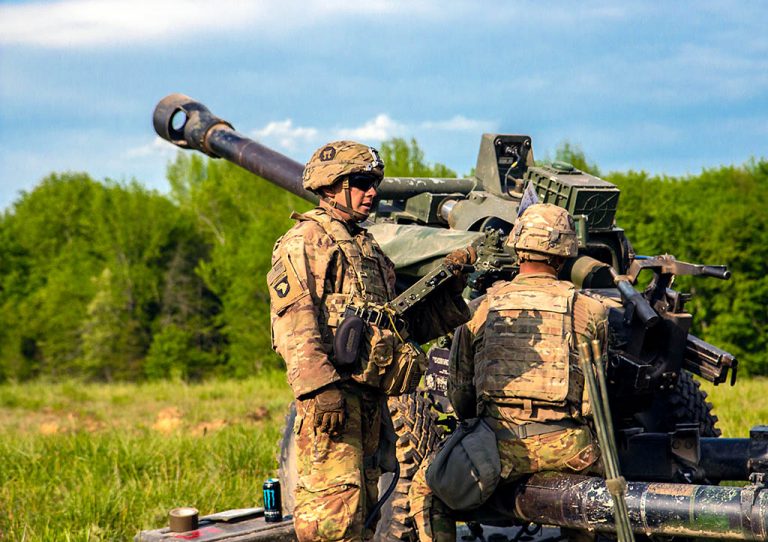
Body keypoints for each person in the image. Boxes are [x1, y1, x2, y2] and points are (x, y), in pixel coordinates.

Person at [268, 140, 473, 542]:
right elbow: (295, 322)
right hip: (334, 404)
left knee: (363, 519)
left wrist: (450, 285)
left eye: (374, 182)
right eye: (361, 182)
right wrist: (319, 388)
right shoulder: (306, 241)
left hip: (369, 404)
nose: (372, 192)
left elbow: (398, 328)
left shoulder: (369, 250)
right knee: (332, 520)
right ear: (331, 186)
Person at [409, 203, 608, 542]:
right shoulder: (590, 310)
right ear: (563, 255)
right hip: (569, 448)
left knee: (426, 489)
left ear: (518, 249)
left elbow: (460, 391)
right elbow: (595, 400)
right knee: (586, 503)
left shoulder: (482, 308)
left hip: (500, 446)